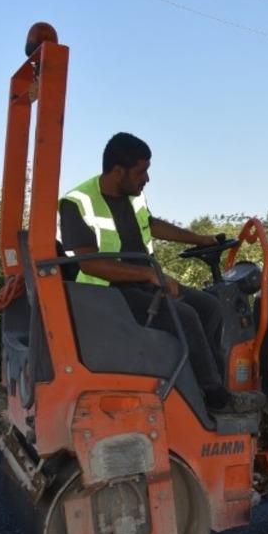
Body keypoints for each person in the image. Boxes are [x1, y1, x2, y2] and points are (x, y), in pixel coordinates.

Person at [58, 132, 232, 410]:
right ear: (118, 171)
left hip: (143, 283)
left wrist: (200, 239)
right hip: (105, 292)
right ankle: (212, 396)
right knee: (183, 316)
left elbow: (151, 225)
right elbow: (90, 264)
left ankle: (204, 383)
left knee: (210, 307)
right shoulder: (77, 203)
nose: (147, 179)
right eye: (141, 172)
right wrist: (151, 275)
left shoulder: (132, 195)